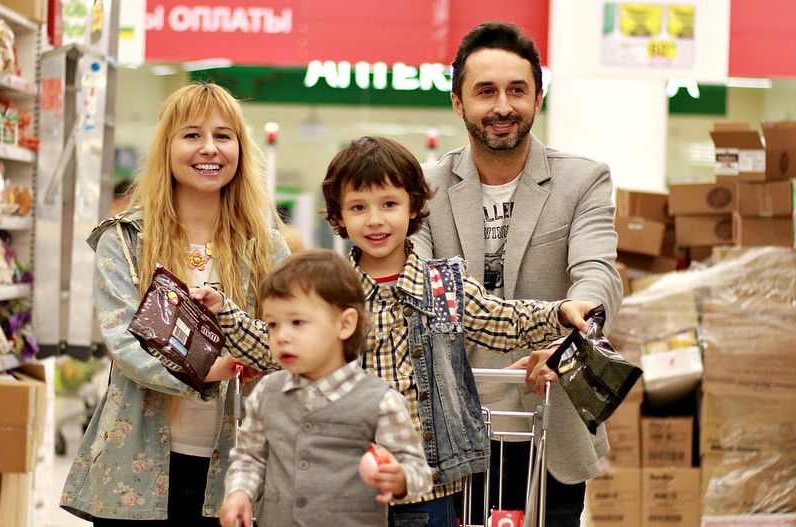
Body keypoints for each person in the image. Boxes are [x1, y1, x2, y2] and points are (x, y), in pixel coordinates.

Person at [195, 136, 599, 527]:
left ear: (414, 207)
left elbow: (502, 320)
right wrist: (224, 313)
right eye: (358, 207)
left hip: (430, 488)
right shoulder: (331, 292)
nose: (375, 220)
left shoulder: (443, 285)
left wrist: (560, 313)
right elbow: (275, 347)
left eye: (389, 204)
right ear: (338, 217)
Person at [411, 22, 623, 526]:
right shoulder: (423, 188)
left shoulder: (582, 180)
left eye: (517, 90)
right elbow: (413, 278)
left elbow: (597, 272)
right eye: (485, 91)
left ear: (538, 98)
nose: (502, 106)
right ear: (458, 103)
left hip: (551, 423)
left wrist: (573, 343)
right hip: (450, 430)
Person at [60, 83, 290, 525]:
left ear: (240, 150)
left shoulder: (265, 247)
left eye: (223, 136)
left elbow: (291, 336)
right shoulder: (125, 240)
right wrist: (204, 370)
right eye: (192, 135)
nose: (210, 148)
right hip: (134, 464)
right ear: (167, 146)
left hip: (236, 468)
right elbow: (123, 341)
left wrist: (254, 347)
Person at [216, 250, 434, 527]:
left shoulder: (381, 401)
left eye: (297, 322)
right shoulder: (266, 392)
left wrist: (401, 479)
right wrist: (239, 492)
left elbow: (419, 473)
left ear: (345, 324)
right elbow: (251, 457)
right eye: (272, 325)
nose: (281, 336)